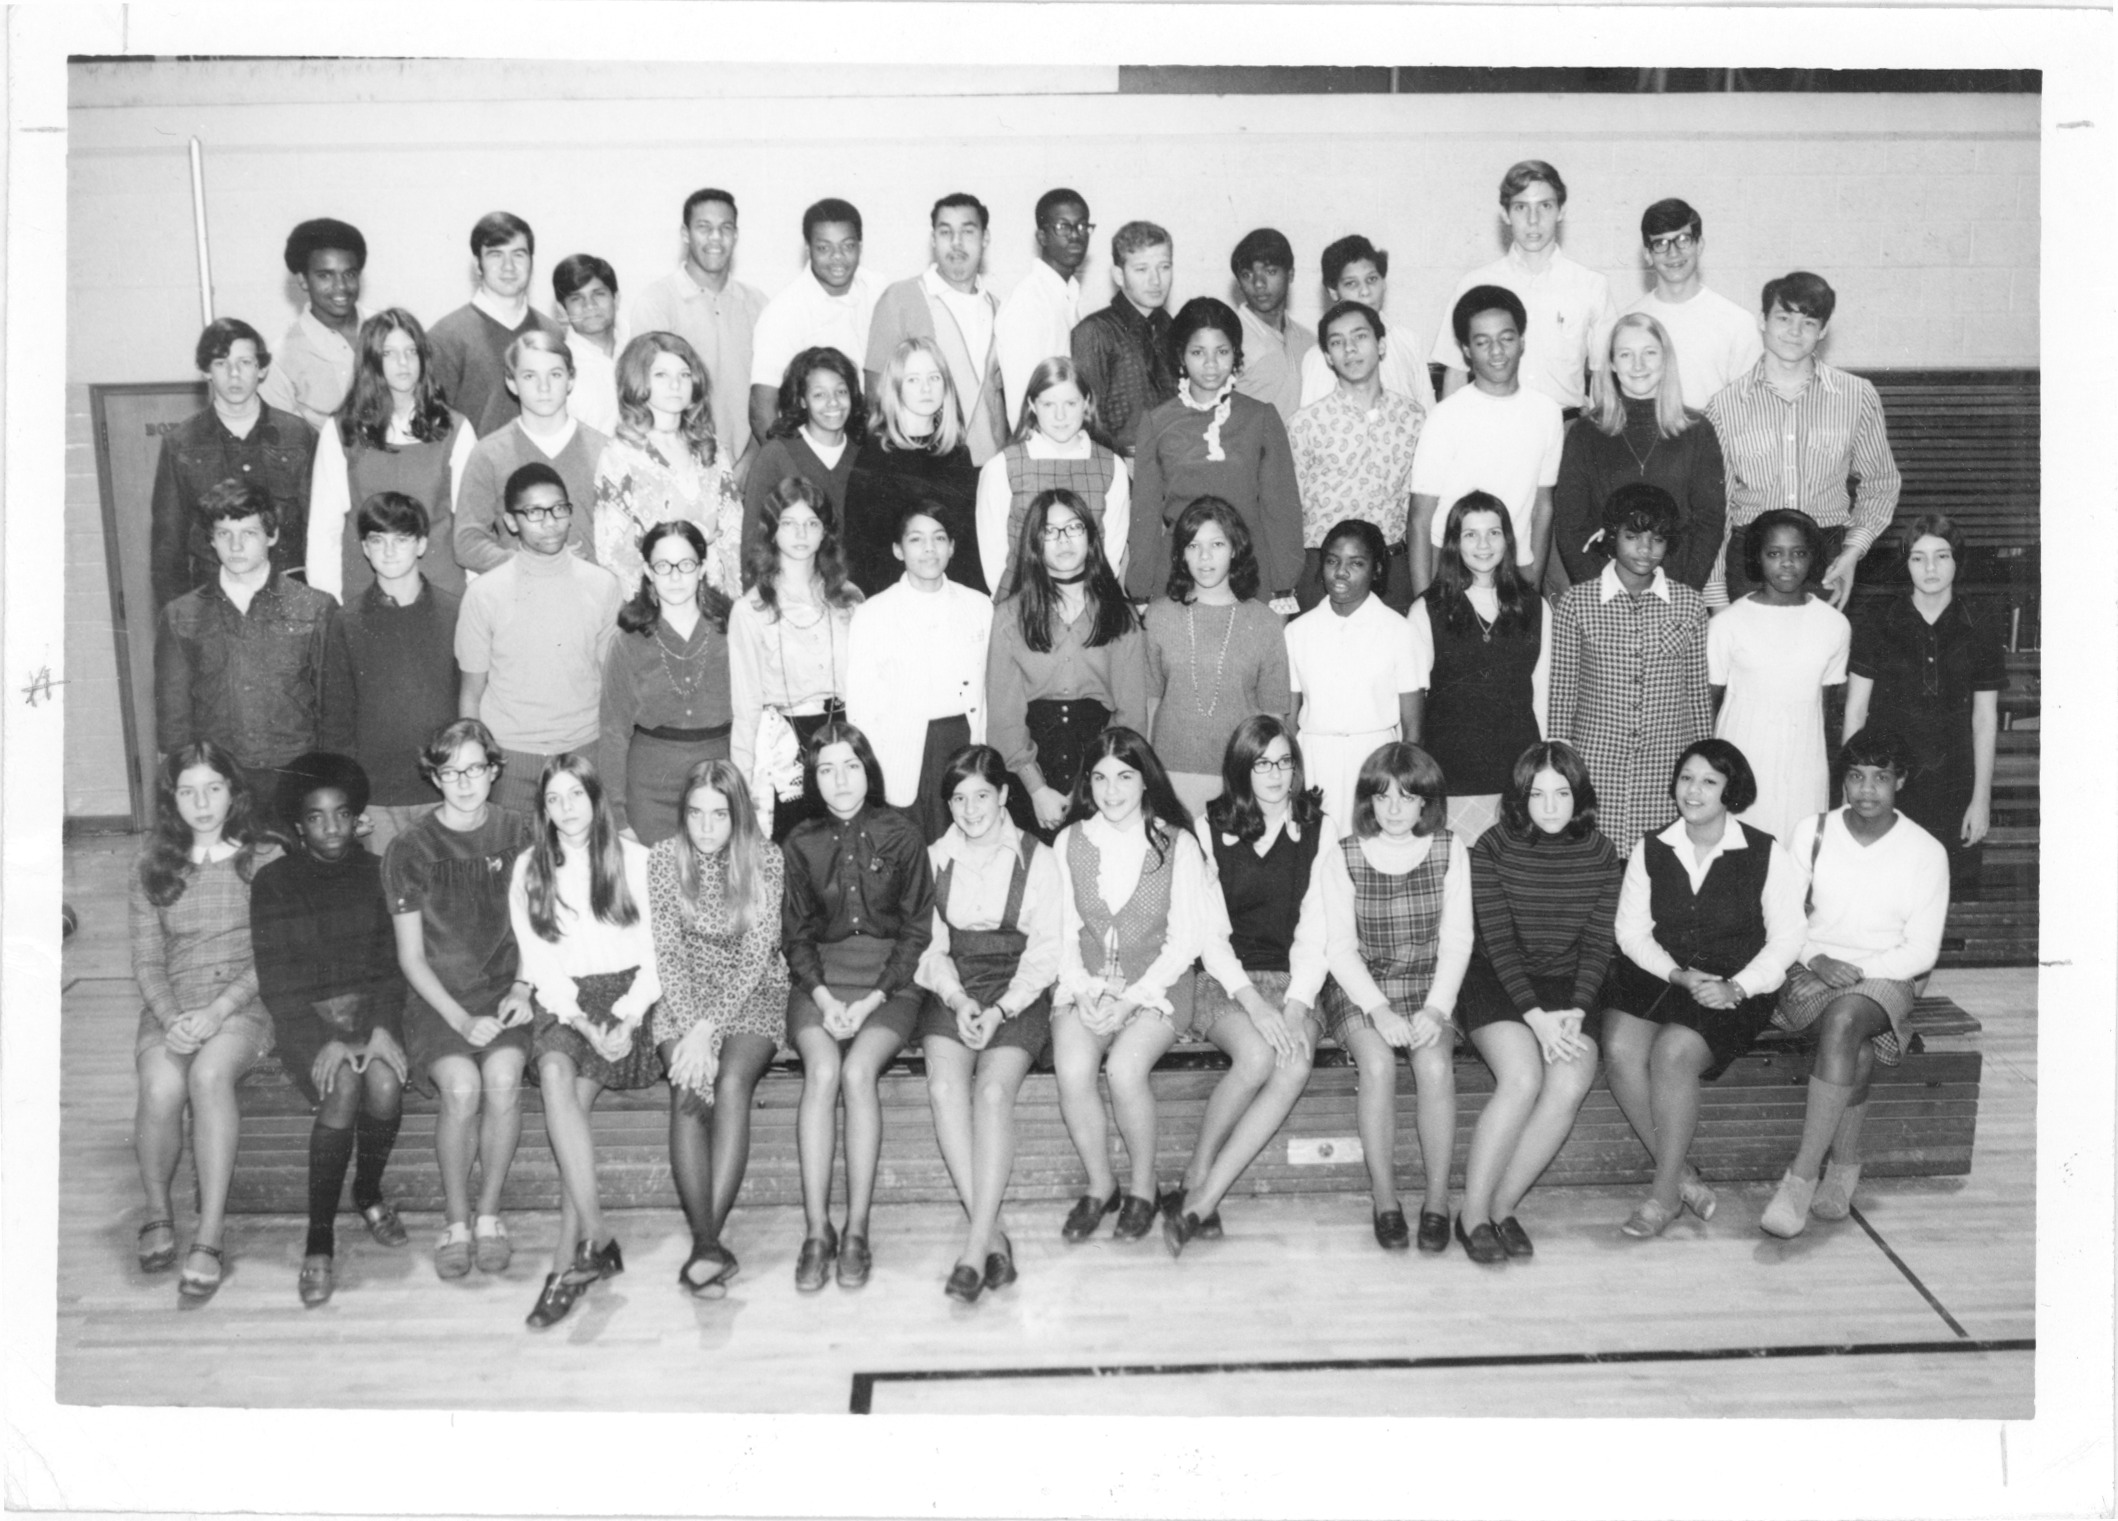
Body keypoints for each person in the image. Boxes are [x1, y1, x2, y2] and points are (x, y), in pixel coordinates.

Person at [1602, 739, 1804, 1237]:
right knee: (1620, 1050)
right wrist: (1674, 973)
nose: (1693, 791)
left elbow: (1787, 939)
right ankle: (1683, 1175)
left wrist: (1738, 987)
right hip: (1662, 973)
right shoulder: (1651, 847)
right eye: (1686, 778)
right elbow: (1631, 933)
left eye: (1709, 781)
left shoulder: (1765, 852)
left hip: (1732, 982)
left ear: (1730, 791)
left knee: (1672, 1053)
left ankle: (1664, 1196)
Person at [1760, 725, 1949, 1238]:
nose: (1867, 789)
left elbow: (1922, 951)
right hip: (1810, 970)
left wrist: (1854, 974)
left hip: (1887, 976)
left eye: (1881, 777)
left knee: (1846, 1017)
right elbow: (1783, 918)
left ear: (1900, 781)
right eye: (1856, 776)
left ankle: (1800, 1178)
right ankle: (1843, 1169)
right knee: (1856, 1050)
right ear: (1843, 780)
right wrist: (1816, 959)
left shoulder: (1926, 851)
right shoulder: (1812, 832)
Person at [1161, 717, 1330, 1255]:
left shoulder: (1319, 829)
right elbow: (1209, 936)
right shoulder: (1209, 827)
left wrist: (1296, 1007)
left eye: (1284, 762)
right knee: (1257, 1057)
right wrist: (1256, 1005)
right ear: (1241, 770)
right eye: (1262, 764)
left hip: (1296, 980)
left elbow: (1317, 932)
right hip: (1226, 979)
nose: (1275, 774)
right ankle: (1197, 1172)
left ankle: (1201, 1200)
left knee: (1294, 1062)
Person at [780, 722, 935, 1291]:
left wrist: (872, 1000)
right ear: (813, 779)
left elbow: (917, 932)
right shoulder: (799, 842)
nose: (840, 780)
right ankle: (816, 1230)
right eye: (826, 769)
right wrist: (822, 997)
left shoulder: (903, 833)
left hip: (890, 981)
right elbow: (795, 937)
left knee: (856, 1072)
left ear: (868, 770)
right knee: (822, 1071)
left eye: (850, 766)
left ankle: (857, 1229)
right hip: (820, 979)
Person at [509, 755, 663, 1329]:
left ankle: (567, 1264)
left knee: (571, 1100)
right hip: (566, 1004)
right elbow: (539, 961)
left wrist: (626, 1015)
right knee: (554, 1073)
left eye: (576, 794)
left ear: (597, 798)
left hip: (631, 1000)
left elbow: (659, 955)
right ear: (543, 810)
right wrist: (579, 1020)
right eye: (554, 799)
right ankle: (594, 1237)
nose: (566, 808)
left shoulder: (637, 860)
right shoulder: (531, 868)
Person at [250, 752, 408, 1307]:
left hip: (370, 1011)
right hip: (306, 1021)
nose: (332, 827)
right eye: (316, 817)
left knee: (384, 1081)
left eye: (342, 813)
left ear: (357, 816)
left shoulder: (379, 872)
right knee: (342, 1085)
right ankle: (319, 1239)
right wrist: (328, 1041)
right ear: (298, 824)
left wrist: (382, 1026)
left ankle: (367, 1190)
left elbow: (393, 964)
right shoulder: (274, 883)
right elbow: (276, 979)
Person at [1455, 741, 1621, 1262]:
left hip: (1568, 989)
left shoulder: (1602, 852)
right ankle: (1472, 1214)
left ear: (1580, 796)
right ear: (1520, 797)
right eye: (1538, 794)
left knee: (1569, 1081)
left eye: (1562, 793)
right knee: (1523, 1077)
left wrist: (1577, 1009)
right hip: (1496, 979)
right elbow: (1498, 942)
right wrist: (1537, 1019)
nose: (1550, 806)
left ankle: (1502, 1206)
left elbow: (1597, 943)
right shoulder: (1492, 847)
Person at [381, 718, 536, 1280]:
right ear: (434, 777)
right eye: (450, 772)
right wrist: (461, 1019)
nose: (465, 783)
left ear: (494, 771)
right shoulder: (410, 848)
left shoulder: (522, 833)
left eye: (475, 769)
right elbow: (411, 958)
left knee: (503, 1079)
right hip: (439, 1000)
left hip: (505, 990)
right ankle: (455, 1219)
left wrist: (523, 986)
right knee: (464, 1087)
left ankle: (489, 1213)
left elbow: (539, 926)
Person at [129, 743, 280, 1302]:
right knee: (159, 1086)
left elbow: (271, 956)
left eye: (212, 789)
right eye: (187, 791)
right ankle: (157, 1210)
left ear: (232, 792)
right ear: (172, 800)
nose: (201, 803)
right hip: (171, 1005)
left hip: (242, 1004)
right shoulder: (150, 864)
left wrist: (218, 1011)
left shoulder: (264, 858)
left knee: (209, 1075)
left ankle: (211, 1232)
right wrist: (172, 1018)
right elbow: (147, 961)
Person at [1048, 727, 1210, 1244]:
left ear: (1145, 781)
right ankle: (1102, 1185)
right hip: (1087, 982)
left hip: (1159, 984)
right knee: (1073, 1067)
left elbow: (1185, 943)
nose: (1111, 790)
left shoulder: (1177, 843)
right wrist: (1081, 990)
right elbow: (1061, 931)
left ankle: (1144, 1187)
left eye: (1124, 777)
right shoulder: (1070, 842)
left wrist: (1128, 1003)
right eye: (1099, 778)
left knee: (1123, 1069)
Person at [914, 745, 1063, 1301]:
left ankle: (975, 1249)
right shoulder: (934, 858)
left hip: (1018, 988)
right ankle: (992, 1237)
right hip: (954, 984)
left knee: (994, 1093)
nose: (970, 809)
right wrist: (956, 1000)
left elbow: (1047, 951)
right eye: (958, 798)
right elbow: (928, 949)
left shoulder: (1037, 858)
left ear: (1003, 794)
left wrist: (1003, 1008)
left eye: (982, 795)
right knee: (943, 1086)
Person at [1316, 741, 1473, 1255]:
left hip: (1429, 983)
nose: (1394, 809)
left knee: (1434, 1066)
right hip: (1363, 986)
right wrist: (1378, 1010)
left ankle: (1436, 1201)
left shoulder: (1450, 848)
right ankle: (1384, 1199)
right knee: (1379, 1065)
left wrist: (1437, 1008)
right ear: (1369, 800)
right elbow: (1339, 949)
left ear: (1426, 801)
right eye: (1383, 797)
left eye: (1407, 797)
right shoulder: (1344, 854)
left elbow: (1458, 941)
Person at [649, 759, 790, 1296]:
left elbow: (756, 955)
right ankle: (706, 1246)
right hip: (684, 995)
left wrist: (708, 1030)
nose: (706, 827)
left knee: (729, 1083)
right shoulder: (664, 858)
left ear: (738, 816)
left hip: (752, 991)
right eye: (695, 814)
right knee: (690, 1084)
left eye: (719, 815)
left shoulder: (765, 858)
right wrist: (693, 1030)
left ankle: (705, 1245)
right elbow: (668, 952)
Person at [153, 478, 354, 823]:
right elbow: (174, 718)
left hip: (297, 775)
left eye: (248, 533)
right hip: (220, 780)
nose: (235, 546)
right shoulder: (181, 615)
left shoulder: (315, 607)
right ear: (211, 539)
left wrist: (335, 782)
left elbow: (335, 707)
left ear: (271, 536)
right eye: (224, 534)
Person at [1705, 271, 1902, 609]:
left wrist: (1852, 551)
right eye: (1783, 318)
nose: (1794, 332)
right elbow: (1714, 508)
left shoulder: (1857, 396)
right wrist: (1716, 593)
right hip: (1751, 555)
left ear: (1823, 330)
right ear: (1762, 320)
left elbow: (1881, 482)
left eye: (1808, 322)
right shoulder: (1724, 406)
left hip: (1826, 556)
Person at [1549, 483, 1712, 856]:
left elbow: (1697, 694)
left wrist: (1703, 761)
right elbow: (1562, 690)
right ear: (1611, 536)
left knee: (1657, 860)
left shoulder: (1688, 604)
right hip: (1596, 759)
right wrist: (1559, 764)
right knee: (1596, 855)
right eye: (1632, 536)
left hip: (1666, 758)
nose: (1645, 549)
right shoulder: (1577, 602)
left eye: (1657, 539)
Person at [1843, 514, 2004, 892]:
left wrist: (1981, 799)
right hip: (1889, 781)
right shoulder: (1878, 617)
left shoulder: (1980, 619)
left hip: (1955, 783)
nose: (1930, 567)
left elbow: (1984, 718)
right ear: (1906, 563)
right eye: (1918, 557)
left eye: (1941, 556)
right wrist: (1849, 791)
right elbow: (1855, 711)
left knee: (1951, 894)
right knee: (1883, 893)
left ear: (1957, 560)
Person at [455, 462, 625, 816]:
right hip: (511, 758)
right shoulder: (484, 594)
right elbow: (471, 693)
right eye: (534, 512)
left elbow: (613, 685)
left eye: (559, 509)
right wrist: (479, 762)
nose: (550, 522)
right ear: (511, 521)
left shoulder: (602, 585)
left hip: (583, 751)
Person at [985, 489, 1149, 842]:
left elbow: (1131, 715)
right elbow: (1004, 718)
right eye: (1050, 530)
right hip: (1030, 771)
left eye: (1074, 527)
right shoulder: (1009, 616)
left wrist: (1091, 784)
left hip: (1102, 767)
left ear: (1090, 537)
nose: (1063, 539)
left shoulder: (1121, 615)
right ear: (1035, 542)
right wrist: (1036, 788)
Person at [1126, 296, 1305, 602]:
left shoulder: (1261, 417)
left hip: (1250, 573)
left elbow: (1281, 511)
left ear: (1236, 354)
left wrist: (1283, 585)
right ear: (1181, 356)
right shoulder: (1157, 423)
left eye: (1222, 351)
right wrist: (1141, 591)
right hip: (1179, 574)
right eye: (1198, 352)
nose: (1211, 364)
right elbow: (1145, 516)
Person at [1552, 311, 1728, 602]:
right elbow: (1571, 526)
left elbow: (1709, 523)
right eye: (1625, 354)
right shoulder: (1586, 432)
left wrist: (1681, 596)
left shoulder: (1698, 431)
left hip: (1676, 592)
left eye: (1649, 353)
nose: (1638, 365)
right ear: (1611, 363)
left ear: (1665, 358)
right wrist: (1603, 597)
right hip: (1603, 596)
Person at [845, 504, 993, 841]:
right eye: (916, 539)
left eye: (939, 538)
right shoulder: (873, 614)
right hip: (901, 752)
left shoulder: (979, 605)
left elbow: (988, 689)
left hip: (963, 743)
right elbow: (861, 707)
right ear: (898, 549)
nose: (929, 549)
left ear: (952, 547)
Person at [307, 309, 475, 602]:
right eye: (389, 353)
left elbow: (470, 526)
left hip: (442, 595)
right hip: (364, 595)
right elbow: (325, 530)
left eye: (411, 352)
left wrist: (476, 599)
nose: (403, 362)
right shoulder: (341, 431)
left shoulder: (455, 430)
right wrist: (328, 606)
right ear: (371, 359)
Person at [1408, 285, 1564, 599]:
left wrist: (1533, 582)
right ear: (1466, 350)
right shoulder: (1445, 416)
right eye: (1482, 342)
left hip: (1515, 568)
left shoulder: (1547, 412)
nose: (1496, 351)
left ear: (1522, 341)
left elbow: (1543, 507)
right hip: (1450, 567)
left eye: (1506, 338)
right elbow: (1420, 517)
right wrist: (1422, 602)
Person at [149, 318, 317, 610]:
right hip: (212, 601)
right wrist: (178, 621)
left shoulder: (299, 436)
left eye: (245, 362)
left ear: (262, 369)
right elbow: (168, 547)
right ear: (206, 371)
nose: (234, 373)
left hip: (289, 597)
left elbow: (321, 531)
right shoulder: (181, 444)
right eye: (221, 363)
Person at [1410, 492, 1550, 841]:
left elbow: (1543, 696)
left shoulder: (1536, 607)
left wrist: (1542, 768)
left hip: (1517, 771)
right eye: (1470, 534)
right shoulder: (1427, 609)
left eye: (1494, 533)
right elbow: (1415, 703)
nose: (1483, 545)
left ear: (1508, 539)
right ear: (1454, 543)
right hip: (1451, 771)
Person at [729, 477, 861, 841]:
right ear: (772, 532)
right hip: (787, 747)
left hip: (844, 735)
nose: (801, 533)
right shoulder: (750, 610)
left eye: (812, 523)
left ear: (825, 532)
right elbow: (746, 708)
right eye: (789, 523)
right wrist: (741, 789)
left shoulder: (850, 599)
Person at [1141, 498, 1291, 814]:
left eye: (1217, 544)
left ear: (1235, 549)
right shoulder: (1158, 616)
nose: (1205, 557)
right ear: (1181, 554)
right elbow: (1149, 702)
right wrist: (1146, 773)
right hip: (1169, 774)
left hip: (1240, 777)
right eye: (1193, 546)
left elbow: (1274, 716)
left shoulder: (1265, 621)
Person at [1710, 510, 1852, 843]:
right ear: (1757, 557)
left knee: (1798, 849)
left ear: (1813, 557)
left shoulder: (1834, 625)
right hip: (1743, 756)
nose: (1787, 563)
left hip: (1804, 761)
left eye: (1798, 553)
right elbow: (1708, 706)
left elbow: (1825, 710)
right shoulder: (1726, 624)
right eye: (1774, 553)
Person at [1431, 159, 1616, 414]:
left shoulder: (1591, 286)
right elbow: (1455, 374)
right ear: (1505, 214)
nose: (1533, 220)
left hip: (1566, 427)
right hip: (1494, 427)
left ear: (1561, 211)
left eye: (1545, 206)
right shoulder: (1474, 285)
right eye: (1521, 207)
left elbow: (1603, 379)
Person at [337, 491, 462, 858]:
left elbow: (469, 702)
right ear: (364, 547)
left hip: (444, 790)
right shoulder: (346, 621)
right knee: (385, 887)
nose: (389, 551)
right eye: (378, 540)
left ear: (421, 544)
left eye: (402, 539)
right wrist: (350, 797)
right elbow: (336, 719)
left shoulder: (455, 613)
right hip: (377, 797)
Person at [597, 520, 734, 846]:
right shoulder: (627, 642)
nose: (674, 576)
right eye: (663, 566)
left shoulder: (732, 631)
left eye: (685, 565)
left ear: (702, 568)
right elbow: (613, 732)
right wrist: (617, 816)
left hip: (718, 791)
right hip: (649, 796)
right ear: (648, 570)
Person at [1283, 518, 1424, 829]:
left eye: (1356, 563)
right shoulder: (1297, 631)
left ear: (1376, 569)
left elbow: (1412, 729)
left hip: (1376, 763)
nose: (1341, 572)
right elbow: (1289, 721)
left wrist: (1397, 785)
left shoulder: (1399, 631)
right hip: (1315, 760)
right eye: (1332, 561)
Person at [1288, 299, 1426, 613]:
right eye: (1337, 342)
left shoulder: (1414, 418)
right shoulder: (1305, 424)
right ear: (1327, 356)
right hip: (1324, 573)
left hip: (1391, 570)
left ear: (1381, 345)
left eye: (1360, 337)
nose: (1350, 349)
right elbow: (1290, 512)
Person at [591, 331, 743, 593]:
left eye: (684, 375)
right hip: (656, 595)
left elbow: (733, 531)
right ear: (638, 379)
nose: (676, 385)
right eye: (661, 375)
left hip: (714, 594)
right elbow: (613, 552)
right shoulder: (621, 455)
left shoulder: (711, 449)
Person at [864, 193, 1009, 466]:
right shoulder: (900, 299)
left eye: (967, 231)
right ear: (933, 239)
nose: (956, 243)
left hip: (992, 468)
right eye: (945, 232)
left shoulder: (1001, 311)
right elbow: (875, 395)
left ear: (985, 238)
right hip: (924, 468)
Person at [976, 356, 1132, 599]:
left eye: (1070, 403)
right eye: (1049, 404)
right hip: (1022, 602)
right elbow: (993, 554)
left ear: (1086, 403)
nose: (1060, 416)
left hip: (1088, 601)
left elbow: (1111, 551)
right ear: (1032, 404)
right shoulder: (1002, 468)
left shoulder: (1112, 466)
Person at [453, 330, 608, 573]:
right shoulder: (488, 454)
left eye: (555, 374)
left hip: (593, 590)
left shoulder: (605, 451)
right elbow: (467, 542)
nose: (543, 387)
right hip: (520, 590)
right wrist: (531, 564)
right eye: (529, 376)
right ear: (511, 383)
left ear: (570, 379)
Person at [627, 188, 766, 459]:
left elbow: (771, 395)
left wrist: (751, 461)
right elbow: (641, 396)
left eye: (725, 228)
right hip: (681, 463)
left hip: (751, 464)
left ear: (736, 235)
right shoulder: (657, 302)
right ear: (685, 233)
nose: (716, 237)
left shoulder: (758, 304)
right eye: (704, 227)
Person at [841, 337, 982, 595]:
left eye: (934, 378)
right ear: (896, 388)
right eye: (913, 380)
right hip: (892, 598)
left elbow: (967, 545)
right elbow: (860, 550)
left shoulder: (958, 455)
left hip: (950, 595)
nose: (926, 388)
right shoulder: (874, 455)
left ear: (946, 385)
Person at [748, 198, 878, 447]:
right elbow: (762, 409)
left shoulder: (880, 291)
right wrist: (791, 464)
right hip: (814, 449)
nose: (837, 257)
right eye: (824, 248)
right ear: (808, 249)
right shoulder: (783, 312)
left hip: (874, 445)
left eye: (847, 246)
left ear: (860, 246)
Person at [426, 210, 565, 439]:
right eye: (495, 255)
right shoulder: (445, 337)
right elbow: (432, 429)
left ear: (531, 261)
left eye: (518, 254)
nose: (508, 266)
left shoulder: (552, 333)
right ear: (477, 264)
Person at [1620, 198, 1762, 411]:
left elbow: (1751, 408)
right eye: (1660, 244)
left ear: (1700, 245)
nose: (1673, 253)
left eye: (1683, 240)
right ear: (1648, 254)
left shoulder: (1738, 323)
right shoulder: (1627, 323)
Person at [741, 347, 864, 569]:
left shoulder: (863, 457)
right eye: (819, 395)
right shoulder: (776, 454)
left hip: (850, 587)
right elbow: (753, 540)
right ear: (802, 400)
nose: (833, 402)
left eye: (841, 391)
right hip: (787, 585)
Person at [1068, 220, 1178, 459]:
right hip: (1121, 466)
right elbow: (1086, 423)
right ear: (1119, 275)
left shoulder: (1173, 328)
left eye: (1164, 267)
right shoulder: (1095, 332)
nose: (1156, 280)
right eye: (1141, 269)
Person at [1296, 234, 1436, 412]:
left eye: (1371, 279)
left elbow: (1427, 414)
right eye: (1351, 284)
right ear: (1333, 292)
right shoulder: (1321, 356)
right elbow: (1314, 421)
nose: (1365, 291)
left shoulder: (1407, 342)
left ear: (1383, 282)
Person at [995, 188, 1092, 420]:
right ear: (1042, 237)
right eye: (1063, 227)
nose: (1075, 235)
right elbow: (1021, 404)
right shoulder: (1028, 302)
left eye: (1082, 226)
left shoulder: (1067, 295)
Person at [261, 217, 366, 427]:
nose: (341, 286)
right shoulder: (280, 360)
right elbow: (280, 439)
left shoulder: (392, 332)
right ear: (303, 280)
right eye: (325, 276)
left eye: (349, 274)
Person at [1228, 227, 1312, 423]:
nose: (1259, 283)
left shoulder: (1309, 341)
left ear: (1290, 274)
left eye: (1270, 271)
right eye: (1247, 275)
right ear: (1239, 283)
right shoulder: (1228, 339)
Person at [553, 253, 627, 438]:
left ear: (616, 299)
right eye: (576, 298)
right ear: (562, 310)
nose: (589, 305)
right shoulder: (558, 368)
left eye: (598, 294)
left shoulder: (639, 354)